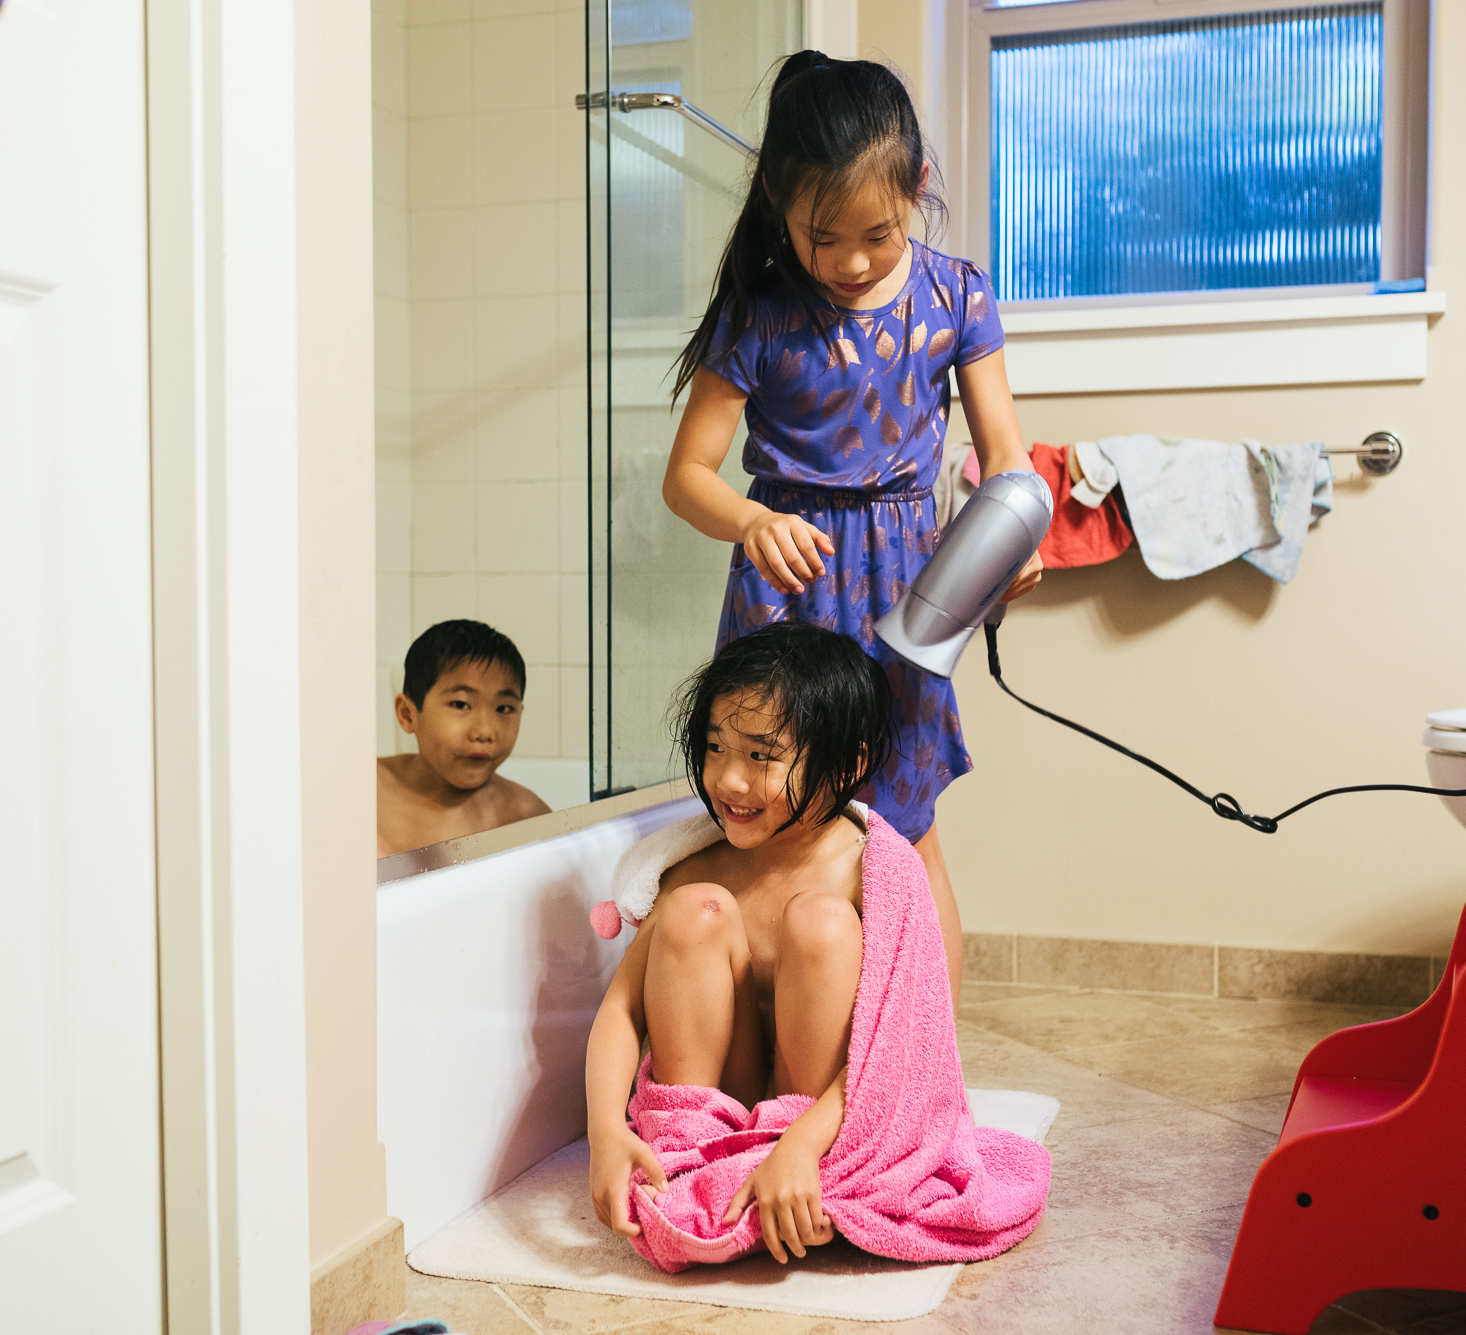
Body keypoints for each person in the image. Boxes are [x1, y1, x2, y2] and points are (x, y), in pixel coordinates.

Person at [660, 51, 1041, 1006]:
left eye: (877, 232)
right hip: (789, 590)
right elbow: (687, 477)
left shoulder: (956, 295)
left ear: (917, 187)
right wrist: (752, 519)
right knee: (779, 818)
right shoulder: (760, 315)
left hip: (916, 592)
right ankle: (791, 1053)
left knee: (904, 829)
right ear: (781, 206)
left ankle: (924, 1073)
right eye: (821, 238)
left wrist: (1009, 543)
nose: (853, 261)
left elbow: (1007, 456)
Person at [585, 622, 894, 1264]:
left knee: (822, 923)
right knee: (693, 912)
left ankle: (799, 1167)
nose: (728, 780)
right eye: (715, 747)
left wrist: (801, 1145)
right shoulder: (700, 865)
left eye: (760, 756)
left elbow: (893, 1051)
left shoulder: (873, 873)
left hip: (819, 1119)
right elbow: (621, 1009)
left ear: (846, 765)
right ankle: (687, 1152)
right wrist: (605, 1131)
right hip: (713, 1112)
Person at [376, 619, 549, 856]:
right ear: (408, 715)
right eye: (461, 704)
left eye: (504, 708)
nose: (485, 732)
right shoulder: (368, 790)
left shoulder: (526, 817)